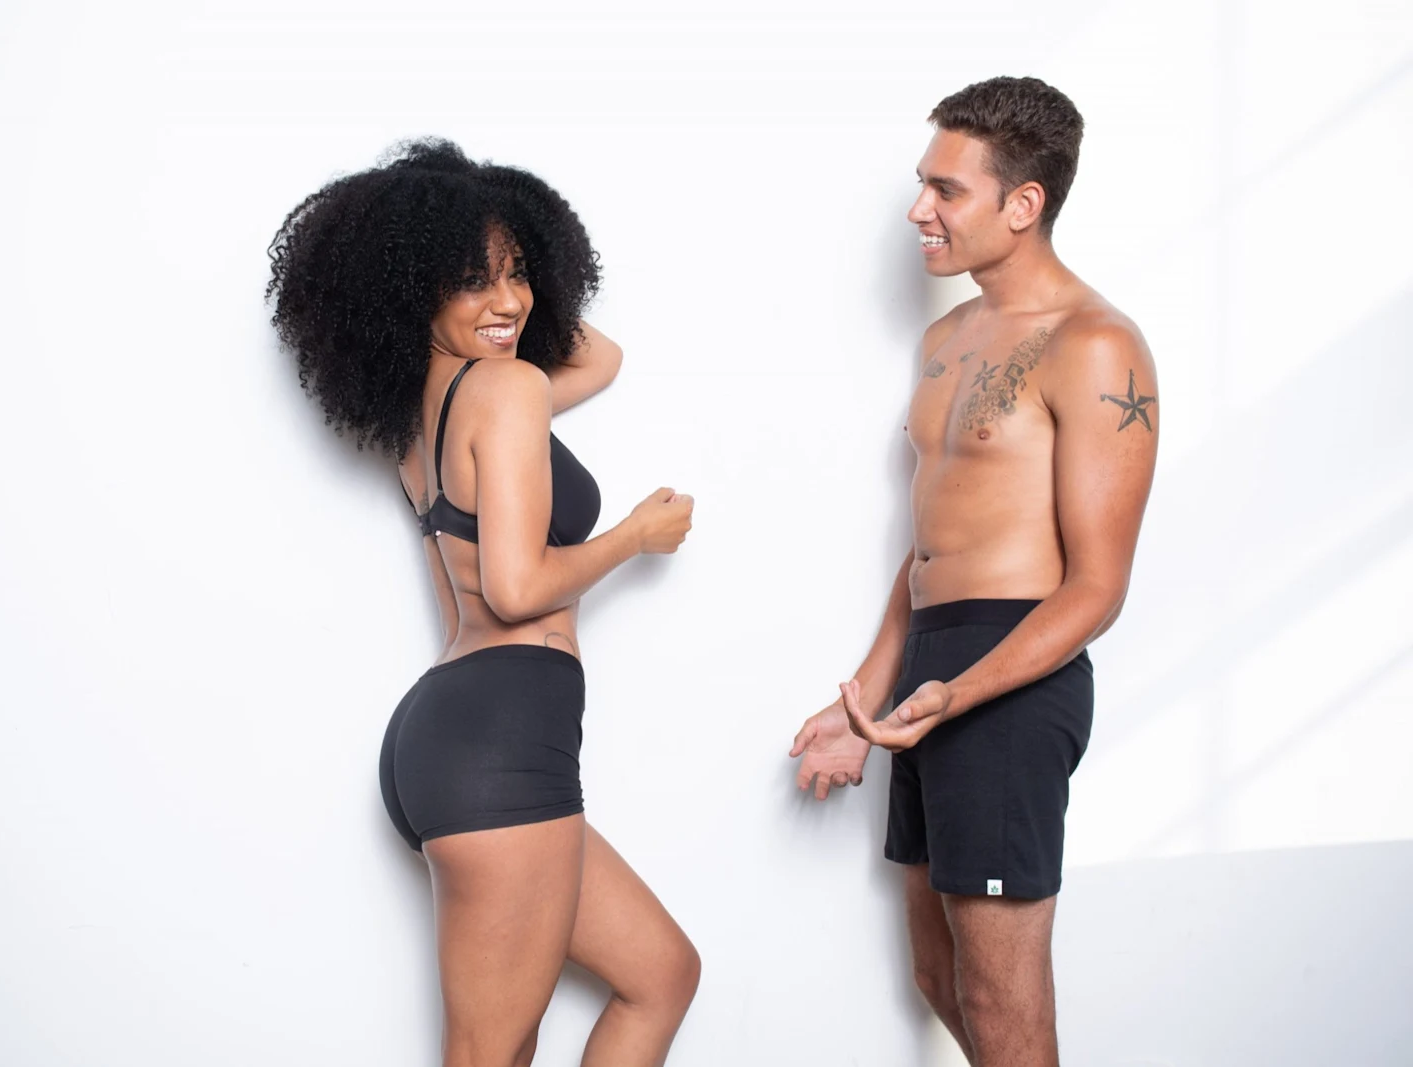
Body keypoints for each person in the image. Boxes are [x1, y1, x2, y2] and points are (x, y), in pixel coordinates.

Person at [267, 139, 700, 1067]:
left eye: (519, 272)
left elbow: (601, 357)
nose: (507, 301)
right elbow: (514, 588)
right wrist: (634, 534)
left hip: (458, 734)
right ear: (410, 290)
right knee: (491, 1051)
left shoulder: (420, 421)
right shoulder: (504, 391)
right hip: (502, 735)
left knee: (660, 972)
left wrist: (501, 301)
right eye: (471, 280)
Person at [790, 77, 1159, 1067]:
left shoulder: (1094, 344)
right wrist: (868, 696)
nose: (920, 208)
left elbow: (1097, 587)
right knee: (936, 973)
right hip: (931, 660)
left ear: (1022, 203)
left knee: (999, 997)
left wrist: (956, 693)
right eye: (924, 183)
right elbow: (927, 551)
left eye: (946, 189)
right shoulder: (945, 339)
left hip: (1013, 669)